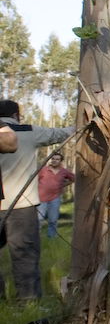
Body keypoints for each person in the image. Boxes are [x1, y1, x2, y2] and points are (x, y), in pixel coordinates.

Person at [0, 101, 75, 303]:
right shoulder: (28, 131)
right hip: (21, 206)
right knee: (24, 254)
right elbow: (61, 133)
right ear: (16, 115)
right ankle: (28, 301)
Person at [37, 154, 74, 239]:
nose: (54, 160)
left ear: (61, 161)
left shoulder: (64, 171)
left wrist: (63, 185)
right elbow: (35, 180)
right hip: (41, 198)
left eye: (57, 159)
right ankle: (36, 237)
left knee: (53, 220)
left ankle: (52, 237)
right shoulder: (43, 170)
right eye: (53, 159)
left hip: (55, 199)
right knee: (39, 219)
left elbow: (73, 178)